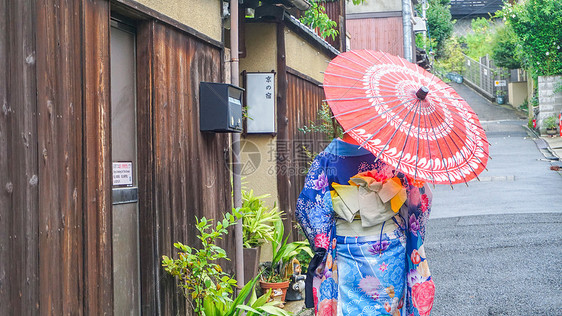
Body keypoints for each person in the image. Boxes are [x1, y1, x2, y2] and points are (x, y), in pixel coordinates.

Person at [296, 134, 435, 316]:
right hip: (391, 244)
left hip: (347, 248)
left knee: (349, 308)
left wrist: (323, 244)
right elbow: (420, 202)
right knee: (390, 306)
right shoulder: (395, 156)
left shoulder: (327, 158)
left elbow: (308, 210)